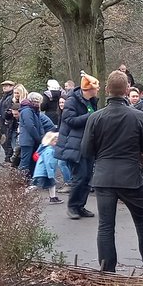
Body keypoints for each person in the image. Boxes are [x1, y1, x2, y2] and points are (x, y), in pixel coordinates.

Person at [81, 71, 143, 274]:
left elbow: (86, 150)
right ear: (126, 90)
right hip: (131, 175)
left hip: (104, 176)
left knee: (105, 225)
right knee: (142, 220)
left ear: (107, 90)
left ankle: (107, 269)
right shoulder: (138, 116)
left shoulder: (96, 117)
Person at [58, 73, 99, 220]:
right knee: (80, 176)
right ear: (89, 89)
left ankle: (81, 205)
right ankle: (72, 206)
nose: (98, 89)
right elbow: (69, 120)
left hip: (87, 144)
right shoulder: (72, 101)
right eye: (96, 87)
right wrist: (91, 116)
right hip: (74, 144)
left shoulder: (92, 101)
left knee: (88, 176)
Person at [17, 92, 55, 178]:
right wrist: (39, 138)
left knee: (31, 161)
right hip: (28, 141)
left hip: (30, 140)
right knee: (25, 163)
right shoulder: (27, 111)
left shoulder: (32, 110)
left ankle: (29, 179)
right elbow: (30, 126)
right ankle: (19, 181)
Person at [33, 131, 63, 203]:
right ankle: (24, 193)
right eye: (55, 140)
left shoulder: (48, 149)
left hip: (44, 172)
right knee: (37, 186)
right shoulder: (49, 151)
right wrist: (51, 174)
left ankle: (53, 197)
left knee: (52, 184)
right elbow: (48, 163)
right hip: (44, 172)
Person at [0, 80, 17, 163]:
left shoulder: (11, 97)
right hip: (3, 123)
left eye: (7, 85)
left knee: (8, 144)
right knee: (5, 143)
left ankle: (9, 162)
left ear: (12, 87)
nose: (4, 87)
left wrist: (6, 119)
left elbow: (9, 111)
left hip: (8, 124)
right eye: (4, 85)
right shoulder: (4, 96)